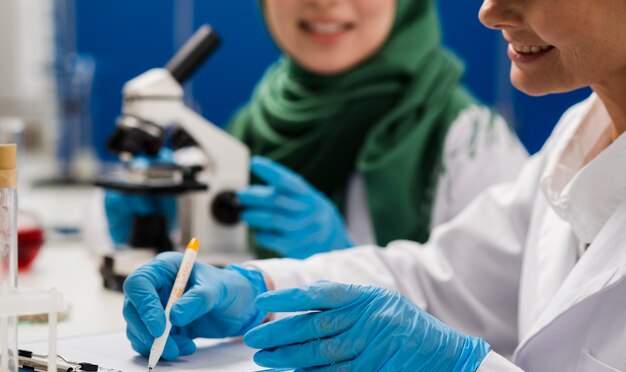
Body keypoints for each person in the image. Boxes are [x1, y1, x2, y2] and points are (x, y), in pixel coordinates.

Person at [123, 0, 626, 372]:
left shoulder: (465, 135)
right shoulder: (580, 135)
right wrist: (257, 288)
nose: (489, 12)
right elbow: (442, 279)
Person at [105, 0, 527, 259]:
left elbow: (501, 322)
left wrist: (350, 266)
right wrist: (157, 227)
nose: (325, 2)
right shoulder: (255, 119)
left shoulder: (471, 142)